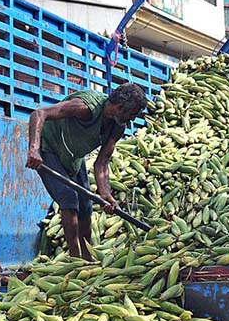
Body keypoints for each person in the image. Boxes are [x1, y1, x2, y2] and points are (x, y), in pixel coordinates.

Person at [26, 83, 148, 260]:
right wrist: (34, 149)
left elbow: (102, 162)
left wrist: (105, 194)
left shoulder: (117, 127)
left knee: (86, 203)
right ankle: (75, 257)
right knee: (69, 197)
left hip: (73, 156)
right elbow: (39, 114)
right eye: (132, 114)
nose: (132, 120)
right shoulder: (85, 107)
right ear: (120, 107)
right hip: (48, 147)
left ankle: (87, 255)